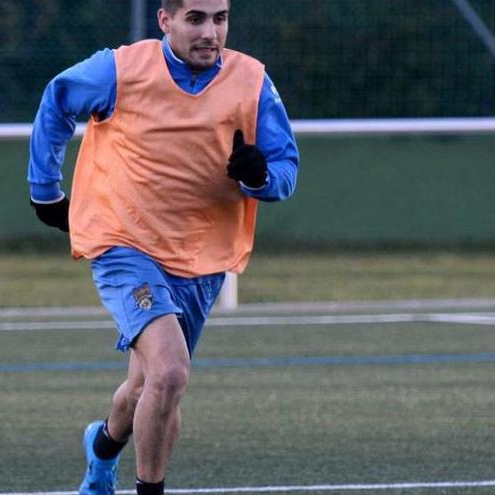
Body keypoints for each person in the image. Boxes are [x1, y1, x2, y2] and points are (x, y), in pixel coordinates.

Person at [28, 0, 298, 494]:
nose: (210, 32)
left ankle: (102, 448)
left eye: (220, 18)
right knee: (171, 372)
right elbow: (57, 98)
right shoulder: (119, 69)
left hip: (200, 259)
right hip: (123, 244)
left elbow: (285, 170)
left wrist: (260, 175)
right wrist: (46, 192)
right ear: (165, 20)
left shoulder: (252, 80)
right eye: (196, 18)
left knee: (145, 388)